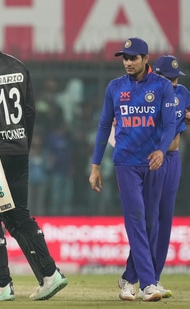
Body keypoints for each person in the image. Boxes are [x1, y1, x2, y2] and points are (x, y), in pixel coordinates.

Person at [0, 14, 68, 301]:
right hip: (19, 149)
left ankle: (1, 285)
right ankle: (49, 274)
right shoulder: (19, 67)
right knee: (18, 214)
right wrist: (24, 143)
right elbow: (30, 112)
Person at [89, 38, 176, 302]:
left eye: (133, 58)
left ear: (145, 59)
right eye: (124, 58)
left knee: (150, 223)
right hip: (125, 163)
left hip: (153, 162)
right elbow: (105, 126)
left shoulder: (162, 87)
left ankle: (128, 280)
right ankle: (149, 284)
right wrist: (95, 165)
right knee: (136, 219)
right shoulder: (114, 87)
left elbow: (170, 124)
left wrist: (161, 150)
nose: (128, 62)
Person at [149, 55, 190, 298]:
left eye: (176, 78)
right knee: (149, 219)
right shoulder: (147, 93)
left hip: (173, 158)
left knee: (165, 220)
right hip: (153, 158)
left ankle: (155, 277)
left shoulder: (182, 92)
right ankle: (137, 275)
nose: (173, 83)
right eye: (169, 78)